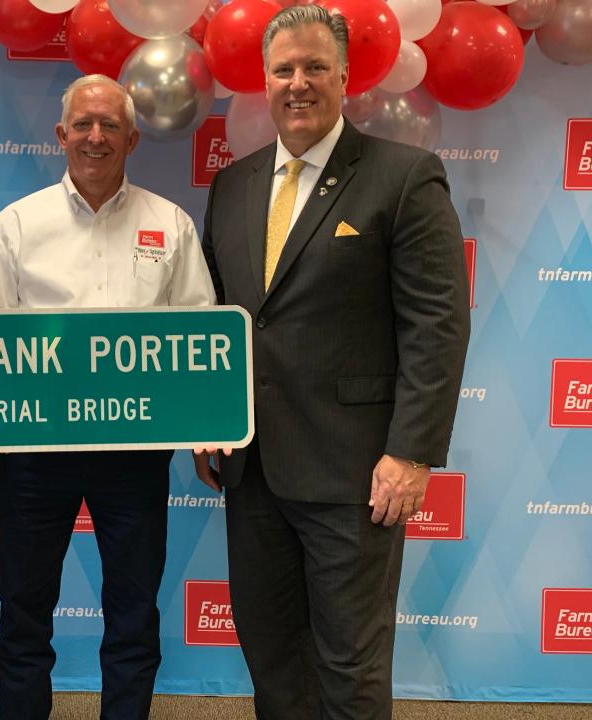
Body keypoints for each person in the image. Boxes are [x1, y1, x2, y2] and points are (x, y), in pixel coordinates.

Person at [195, 6, 471, 719]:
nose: (298, 83)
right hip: (252, 472)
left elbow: (438, 325)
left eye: (315, 66)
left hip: (356, 474)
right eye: (284, 68)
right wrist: (205, 415)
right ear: (264, 79)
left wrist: (411, 454)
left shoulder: (405, 176)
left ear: (345, 76)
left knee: (349, 668)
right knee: (274, 658)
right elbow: (216, 320)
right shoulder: (233, 185)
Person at [0, 74, 215, 720]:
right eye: (83, 124)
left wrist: (205, 427)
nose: (95, 137)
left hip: (134, 454)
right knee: (23, 615)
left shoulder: (172, 223)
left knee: (133, 617)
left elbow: (198, 336)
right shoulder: (17, 225)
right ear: (61, 135)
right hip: (33, 456)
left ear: (133, 138)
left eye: (109, 125)